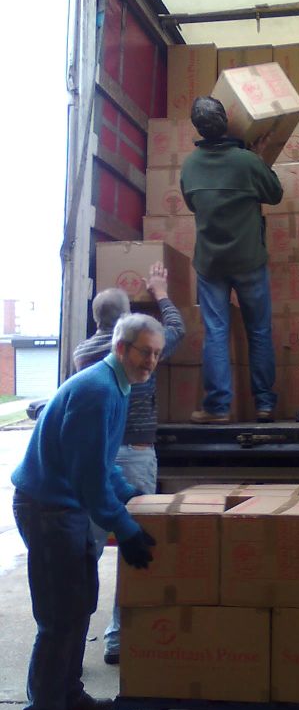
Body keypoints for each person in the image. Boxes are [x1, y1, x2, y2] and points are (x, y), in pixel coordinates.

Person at [12, 314, 165, 710]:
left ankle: (67, 696)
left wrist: (131, 496)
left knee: (80, 605)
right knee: (58, 619)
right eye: (144, 352)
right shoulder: (98, 392)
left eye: (156, 354)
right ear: (121, 348)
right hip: (48, 508)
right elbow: (87, 479)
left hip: (68, 506)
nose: (151, 361)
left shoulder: (117, 385)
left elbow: (102, 466)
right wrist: (126, 527)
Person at [73, 262, 184, 665]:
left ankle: (76, 632)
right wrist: (160, 291)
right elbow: (177, 329)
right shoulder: (139, 350)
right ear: (125, 329)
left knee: (90, 548)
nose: (151, 358)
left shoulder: (82, 352)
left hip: (104, 452)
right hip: (134, 453)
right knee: (131, 547)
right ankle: (119, 636)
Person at [180, 95, 283, 424]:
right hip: (249, 260)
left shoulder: (190, 166)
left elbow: (194, 205)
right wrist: (260, 159)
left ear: (198, 129)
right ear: (226, 122)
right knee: (259, 332)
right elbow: (275, 194)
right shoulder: (246, 161)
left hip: (211, 264)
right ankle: (264, 403)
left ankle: (218, 407)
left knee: (216, 332)